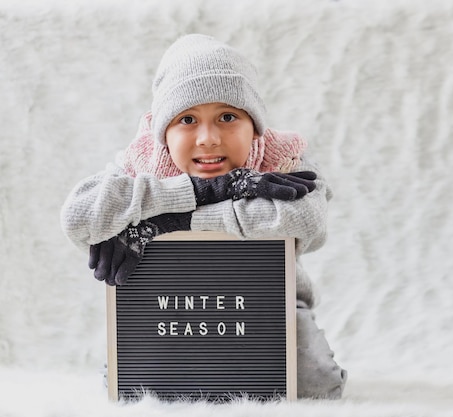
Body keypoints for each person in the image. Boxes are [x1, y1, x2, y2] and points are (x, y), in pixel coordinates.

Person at [60, 34, 347, 399]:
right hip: (164, 305)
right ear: (163, 130)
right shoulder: (140, 162)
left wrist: (169, 222)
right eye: (188, 119)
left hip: (268, 304)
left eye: (228, 117)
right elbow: (78, 217)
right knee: (128, 384)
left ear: (254, 127)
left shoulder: (284, 161)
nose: (208, 138)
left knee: (318, 386)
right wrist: (207, 190)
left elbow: (306, 221)